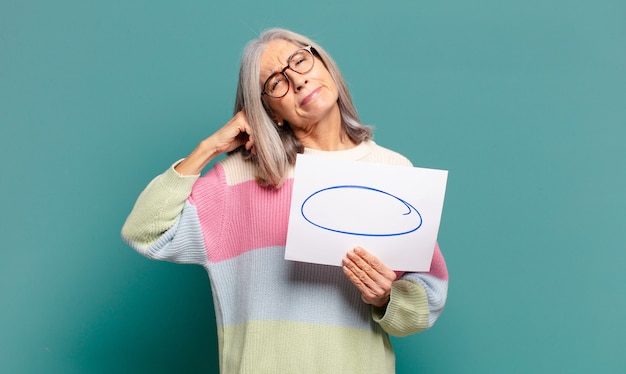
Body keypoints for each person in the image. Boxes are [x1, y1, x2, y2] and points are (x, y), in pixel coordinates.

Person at [121, 27, 448, 373]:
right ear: (271, 112)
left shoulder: (393, 170)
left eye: (300, 61)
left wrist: (385, 297)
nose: (298, 80)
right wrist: (210, 148)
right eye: (276, 82)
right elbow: (145, 231)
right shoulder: (241, 178)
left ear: (325, 65)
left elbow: (427, 299)